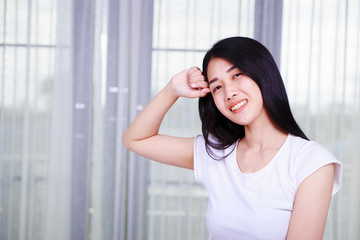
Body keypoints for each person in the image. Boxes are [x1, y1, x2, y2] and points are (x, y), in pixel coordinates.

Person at [122, 37, 342, 240]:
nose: (229, 93)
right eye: (217, 86)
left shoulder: (311, 162)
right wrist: (172, 89)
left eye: (237, 75)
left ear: (263, 73)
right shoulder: (215, 153)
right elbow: (136, 139)